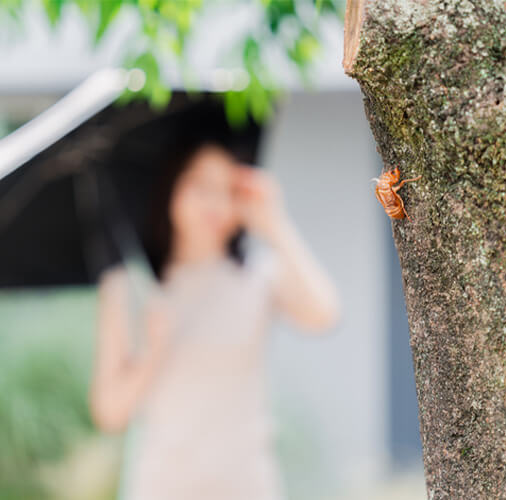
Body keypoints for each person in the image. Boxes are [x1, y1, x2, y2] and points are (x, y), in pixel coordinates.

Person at [89, 136, 340, 500]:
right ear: (171, 186)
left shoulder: (258, 276)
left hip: (245, 483)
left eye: (228, 189)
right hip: (162, 484)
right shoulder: (130, 287)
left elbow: (324, 314)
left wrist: (274, 225)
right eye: (201, 185)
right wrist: (152, 354)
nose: (215, 202)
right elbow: (109, 413)